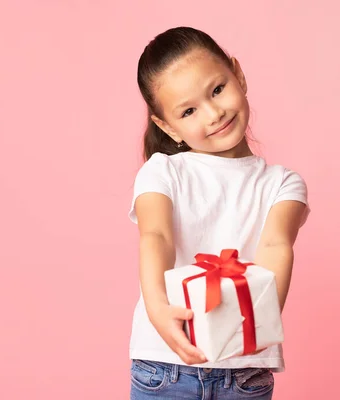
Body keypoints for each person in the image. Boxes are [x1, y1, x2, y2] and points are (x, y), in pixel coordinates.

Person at [128, 26, 310, 399]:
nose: (213, 113)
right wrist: (159, 309)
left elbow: (276, 246)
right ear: (166, 126)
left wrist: (257, 323)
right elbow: (156, 235)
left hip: (244, 372)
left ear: (238, 75)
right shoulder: (162, 171)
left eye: (217, 90)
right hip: (164, 364)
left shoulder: (282, 184)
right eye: (189, 110)